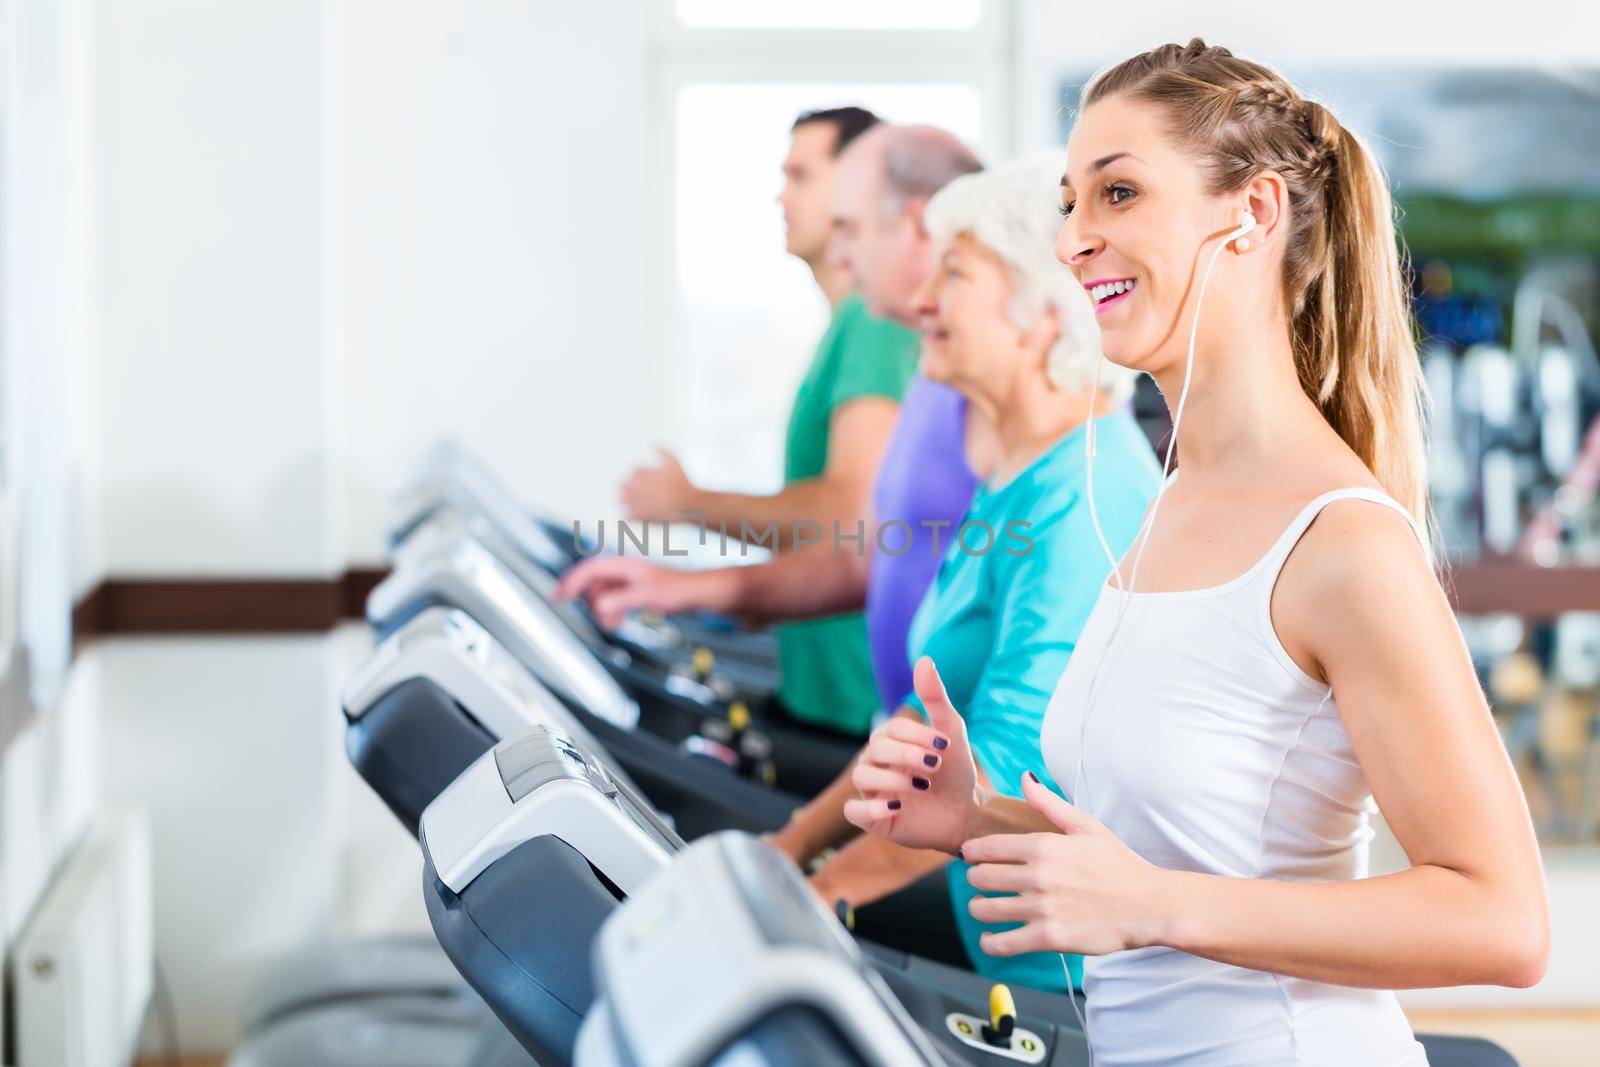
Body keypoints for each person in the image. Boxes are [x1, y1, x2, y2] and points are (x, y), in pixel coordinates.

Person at [844, 40, 1549, 1066]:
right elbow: (1159, 868)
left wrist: (1155, 902)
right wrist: (972, 816)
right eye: (1069, 204)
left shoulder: (1339, 540)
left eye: (1118, 193)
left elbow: (1504, 920)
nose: (1075, 240)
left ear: (1253, 214)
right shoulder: (1169, 500)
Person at [758, 155, 1159, 994]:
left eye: (957, 273)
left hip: (1074, 987)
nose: (923, 299)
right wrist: (793, 845)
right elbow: (929, 720)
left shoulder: (1082, 495)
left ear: (1041, 313)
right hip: (1007, 948)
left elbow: (1006, 768)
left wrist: (822, 894)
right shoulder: (1022, 471)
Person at [561, 123, 985, 737]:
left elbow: (851, 521)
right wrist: (711, 589)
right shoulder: (874, 331)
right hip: (872, 711)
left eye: (803, 177)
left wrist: (690, 506)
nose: (841, 251)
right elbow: (868, 554)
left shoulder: (878, 329)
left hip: (858, 698)